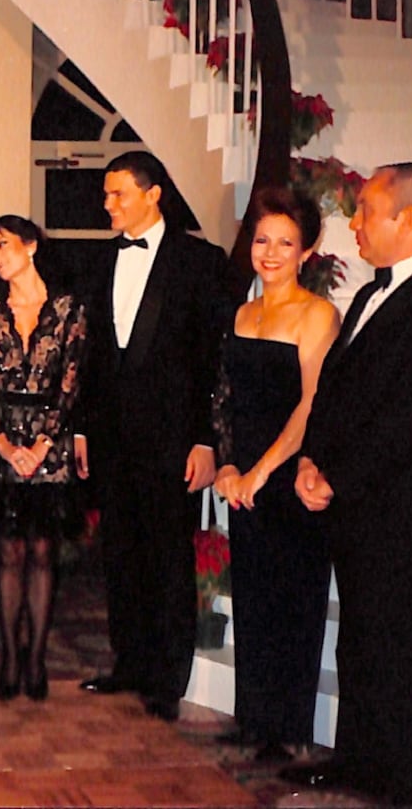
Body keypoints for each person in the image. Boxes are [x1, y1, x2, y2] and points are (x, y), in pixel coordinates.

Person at [286, 162, 412, 804]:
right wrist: (311, 459)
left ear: (407, 218)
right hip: (359, 510)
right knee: (363, 644)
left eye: (367, 209)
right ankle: (362, 763)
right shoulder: (375, 292)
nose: (355, 223)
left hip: (410, 519)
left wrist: (336, 475)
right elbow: (334, 392)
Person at [76, 151, 229, 722]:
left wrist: (206, 439)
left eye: (118, 194)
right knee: (121, 555)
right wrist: (85, 427)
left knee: (168, 557)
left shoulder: (200, 261)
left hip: (173, 439)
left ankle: (168, 677)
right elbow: (91, 356)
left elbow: (211, 359)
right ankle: (129, 663)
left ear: (153, 194)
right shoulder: (98, 262)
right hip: (112, 437)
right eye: (107, 194)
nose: (107, 204)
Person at [212, 187, 340, 759]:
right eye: (263, 239)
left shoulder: (318, 314)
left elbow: (311, 405)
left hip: (291, 478)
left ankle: (287, 731)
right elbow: (228, 398)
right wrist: (230, 465)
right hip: (245, 479)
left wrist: (262, 472)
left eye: (285, 242)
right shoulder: (241, 313)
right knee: (253, 599)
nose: (270, 252)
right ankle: (253, 719)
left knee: (294, 606)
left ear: (306, 251)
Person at [0, 214, 87, 703]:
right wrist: (5, 447)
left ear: (31, 245)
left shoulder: (69, 308)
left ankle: (36, 656)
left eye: (4, 244)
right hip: (0, 444)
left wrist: (40, 446)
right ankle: (11, 656)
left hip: (49, 446)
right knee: (9, 553)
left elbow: (71, 382)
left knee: (42, 552)